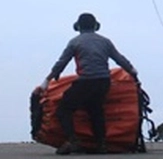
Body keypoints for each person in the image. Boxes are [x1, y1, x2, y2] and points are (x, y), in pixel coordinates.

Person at [44, 13, 139, 155]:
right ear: (95, 26)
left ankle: (72, 140)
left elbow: (61, 63)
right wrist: (132, 72)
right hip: (103, 83)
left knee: (64, 109)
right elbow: (119, 59)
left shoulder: (75, 42)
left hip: (86, 81)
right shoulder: (105, 42)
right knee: (96, 111)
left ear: (78, 27)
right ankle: (101, 144)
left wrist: (48, 80)